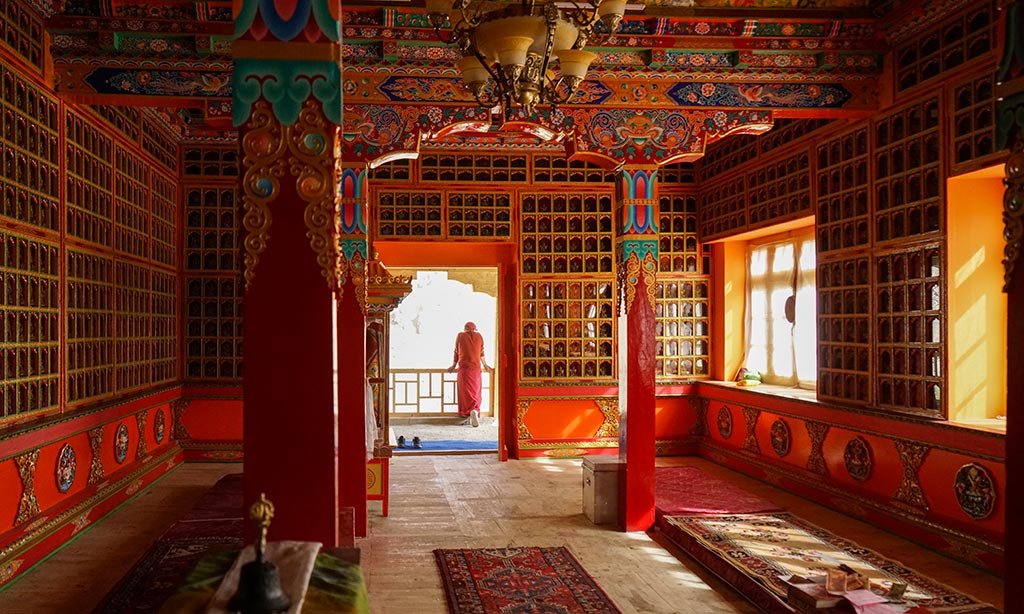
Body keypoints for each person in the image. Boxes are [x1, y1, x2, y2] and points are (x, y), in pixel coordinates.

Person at [447, 321, 492, 427]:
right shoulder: (479, 336)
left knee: (465, 393)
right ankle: (474, 411)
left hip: (464, 369)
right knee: (476, 392)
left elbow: (456, 352)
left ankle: (467, 414)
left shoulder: (460, 336)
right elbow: (482, 353)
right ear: (474, 329)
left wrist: (453, 366)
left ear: (465, 328)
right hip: (476, 369)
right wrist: (485, 365)